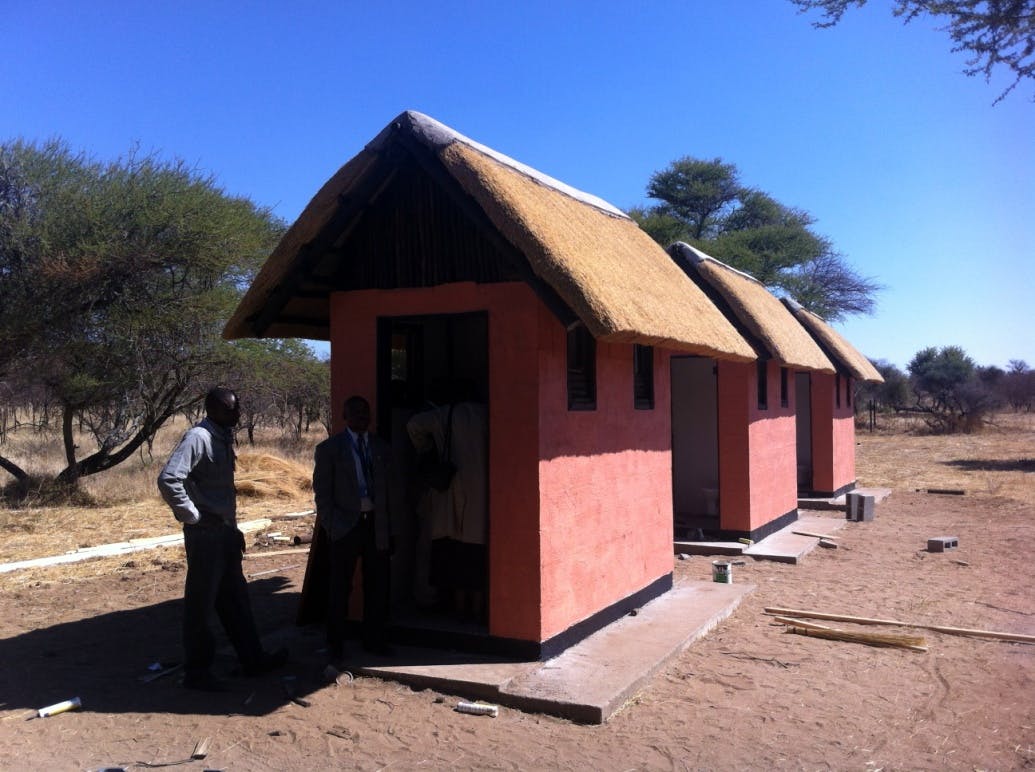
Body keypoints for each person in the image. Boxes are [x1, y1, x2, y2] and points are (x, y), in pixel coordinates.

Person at [158, 387, 288, 691]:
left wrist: (233, 527)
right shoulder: (198, 438)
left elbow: (222, 491)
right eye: (231, 409)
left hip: (225, 531)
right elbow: (169, 479)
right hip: (205, 534)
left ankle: (252, 659)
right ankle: (197, 672)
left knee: (235, 599)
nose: (237, 414)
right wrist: (192, 515)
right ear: (213, 410)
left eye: (237, 408)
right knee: (201, 605)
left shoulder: (223, 436)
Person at [313, 395, 399, 660]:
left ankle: (374, 640)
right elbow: (322, 493)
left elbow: (391, 491)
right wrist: (332, 525)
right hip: (345, 526)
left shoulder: (381, 448)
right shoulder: (330, 449)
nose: (363, 417)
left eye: (366, 412)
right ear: (344, 416)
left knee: (377, 585)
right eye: (356, 412)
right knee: (340, 585)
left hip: (375, 524)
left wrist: (391, 528)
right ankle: (335, 642)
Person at [407, 385, 488, 621]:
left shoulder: (444, 414)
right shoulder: (487, 414)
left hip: (448, 487)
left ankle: (457, 609)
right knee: (476, 552)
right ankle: (478, 610)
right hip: (480, 489)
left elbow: (412, 425)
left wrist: (426, 449)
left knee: (452, 550)